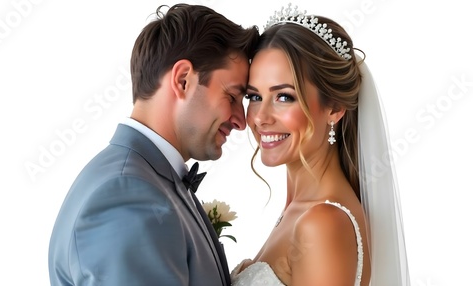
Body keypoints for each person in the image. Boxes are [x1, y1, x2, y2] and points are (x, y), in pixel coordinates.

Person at [48, 4, 259, 285]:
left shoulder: (142, 180)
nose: (241, 120)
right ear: (183, 80)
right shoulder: (126, 197)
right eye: (233, 96)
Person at [231, 4, 410, 286]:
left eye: (284, 97)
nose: (260, 117)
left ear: (335, 108)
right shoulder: (299, 209)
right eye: (254, 97)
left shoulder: (323, 223)